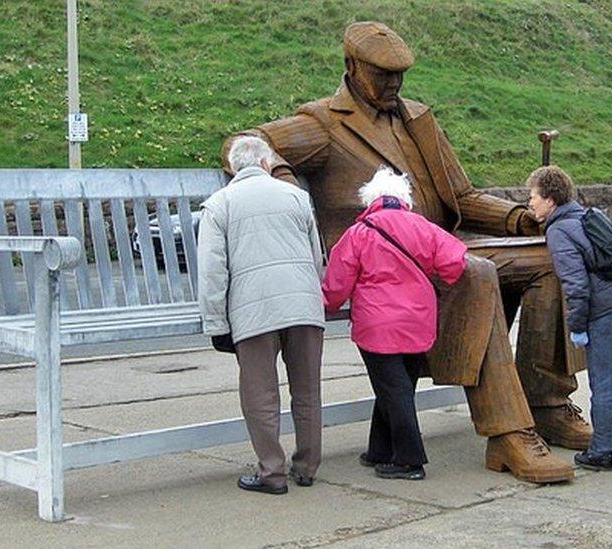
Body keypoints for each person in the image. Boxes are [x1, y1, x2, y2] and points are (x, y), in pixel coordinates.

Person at [221, 21, 579, 483]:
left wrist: (519, 219)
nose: (394, 84)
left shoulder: (417, 119)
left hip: (436, 246)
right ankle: (509, 433)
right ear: (352, 67)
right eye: (383, 74)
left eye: (399, 75)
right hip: (383, 264)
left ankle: (545, 400)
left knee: (551, 260)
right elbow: (244, 143)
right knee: (477, 276)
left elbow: (463, 197)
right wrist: (285, 178)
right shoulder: (324, 124)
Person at [197, 136, 326, 495]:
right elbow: (316, 258)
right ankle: (307, 466)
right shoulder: (298, 198)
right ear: (268, 165)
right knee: (307, 389)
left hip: (253, 310)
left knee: (260, 394)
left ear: (233, 170)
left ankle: (272, 473)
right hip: (303, 306)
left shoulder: (219, 204)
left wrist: (216, 323)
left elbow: (211, 271)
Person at [322, 168, 468, 481]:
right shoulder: (423, 226)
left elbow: (336, 284)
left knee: (394, 390)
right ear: (404, 200)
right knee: (397, 388)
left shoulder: (359, 233)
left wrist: (324, 305)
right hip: (417, 321)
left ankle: (409, 460)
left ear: (370, 200)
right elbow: (455, 263)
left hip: (377, 324)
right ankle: (380, 449)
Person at [527, 166, 612, 472]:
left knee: (605, 382)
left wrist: (577, 327)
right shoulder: (590, 216)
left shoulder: (559, 231)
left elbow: (576, 285)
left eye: (533, 196)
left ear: (551, 199)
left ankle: (602, 451)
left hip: (604, 313)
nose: (530, 203)